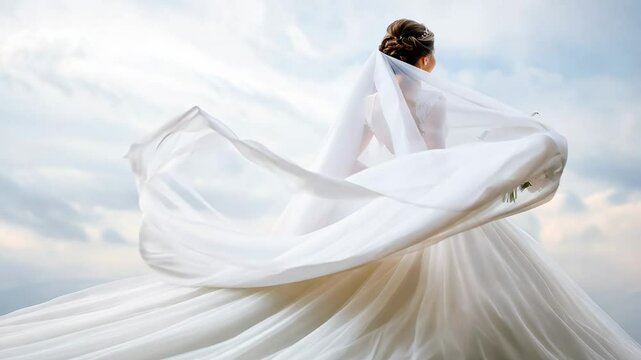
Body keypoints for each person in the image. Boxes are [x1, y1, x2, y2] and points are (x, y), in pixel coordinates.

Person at [1, 18, 640, 359]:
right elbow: (439, 158)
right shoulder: (434, 103)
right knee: (478, 297)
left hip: (393, 196)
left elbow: (345, 164)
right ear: (425, 61)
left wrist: (354, 201)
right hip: (427, 198)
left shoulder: (366, 103)